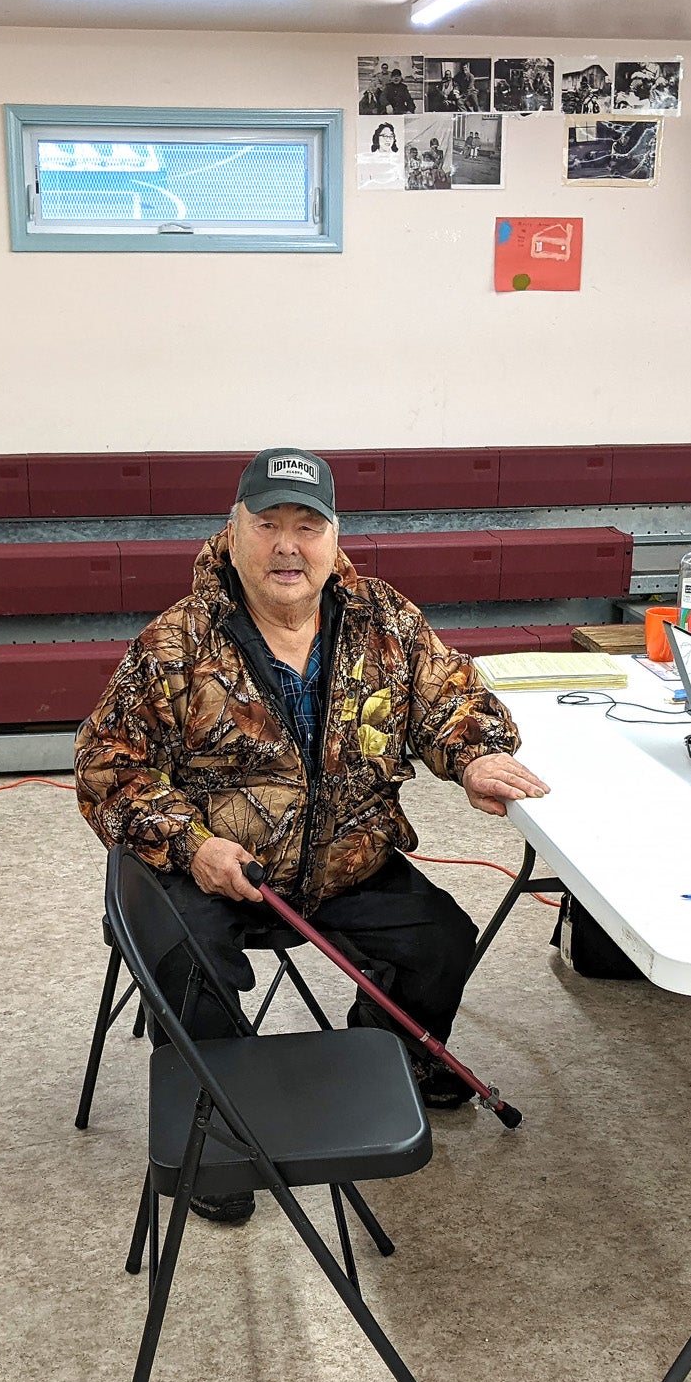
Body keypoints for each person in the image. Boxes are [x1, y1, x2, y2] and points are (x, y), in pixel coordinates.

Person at [76, 448, 549, 1223]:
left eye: (307, 526)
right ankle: (217, 1140)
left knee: (439, 940)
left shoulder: (383, 618)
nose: (287, 546)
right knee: (187, 964)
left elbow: (449, 699)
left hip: (342, 861)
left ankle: (382, 1061)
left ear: (334, 537)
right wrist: (191, 845)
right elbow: (106, 769)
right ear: (232, 534)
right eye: (267, 525)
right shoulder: (176, 642)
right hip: (213, 865)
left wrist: (475, 753)